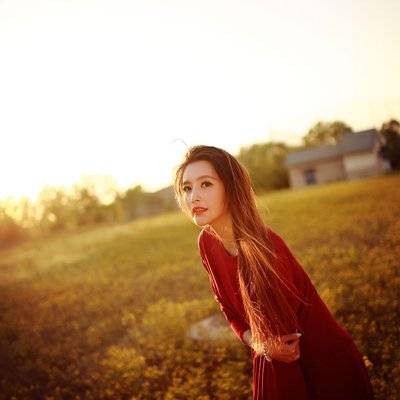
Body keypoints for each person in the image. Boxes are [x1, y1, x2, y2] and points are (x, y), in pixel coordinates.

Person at [173, 145, 374, 400]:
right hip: (270, 355)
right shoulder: (206, 243)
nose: (193, 197)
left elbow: (287, 345)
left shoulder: (265, 247)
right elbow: (228, 308)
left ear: (231, 188)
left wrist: (265, 346)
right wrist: (258, 343)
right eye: (187, 188)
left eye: (206, 184)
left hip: (321, 366)